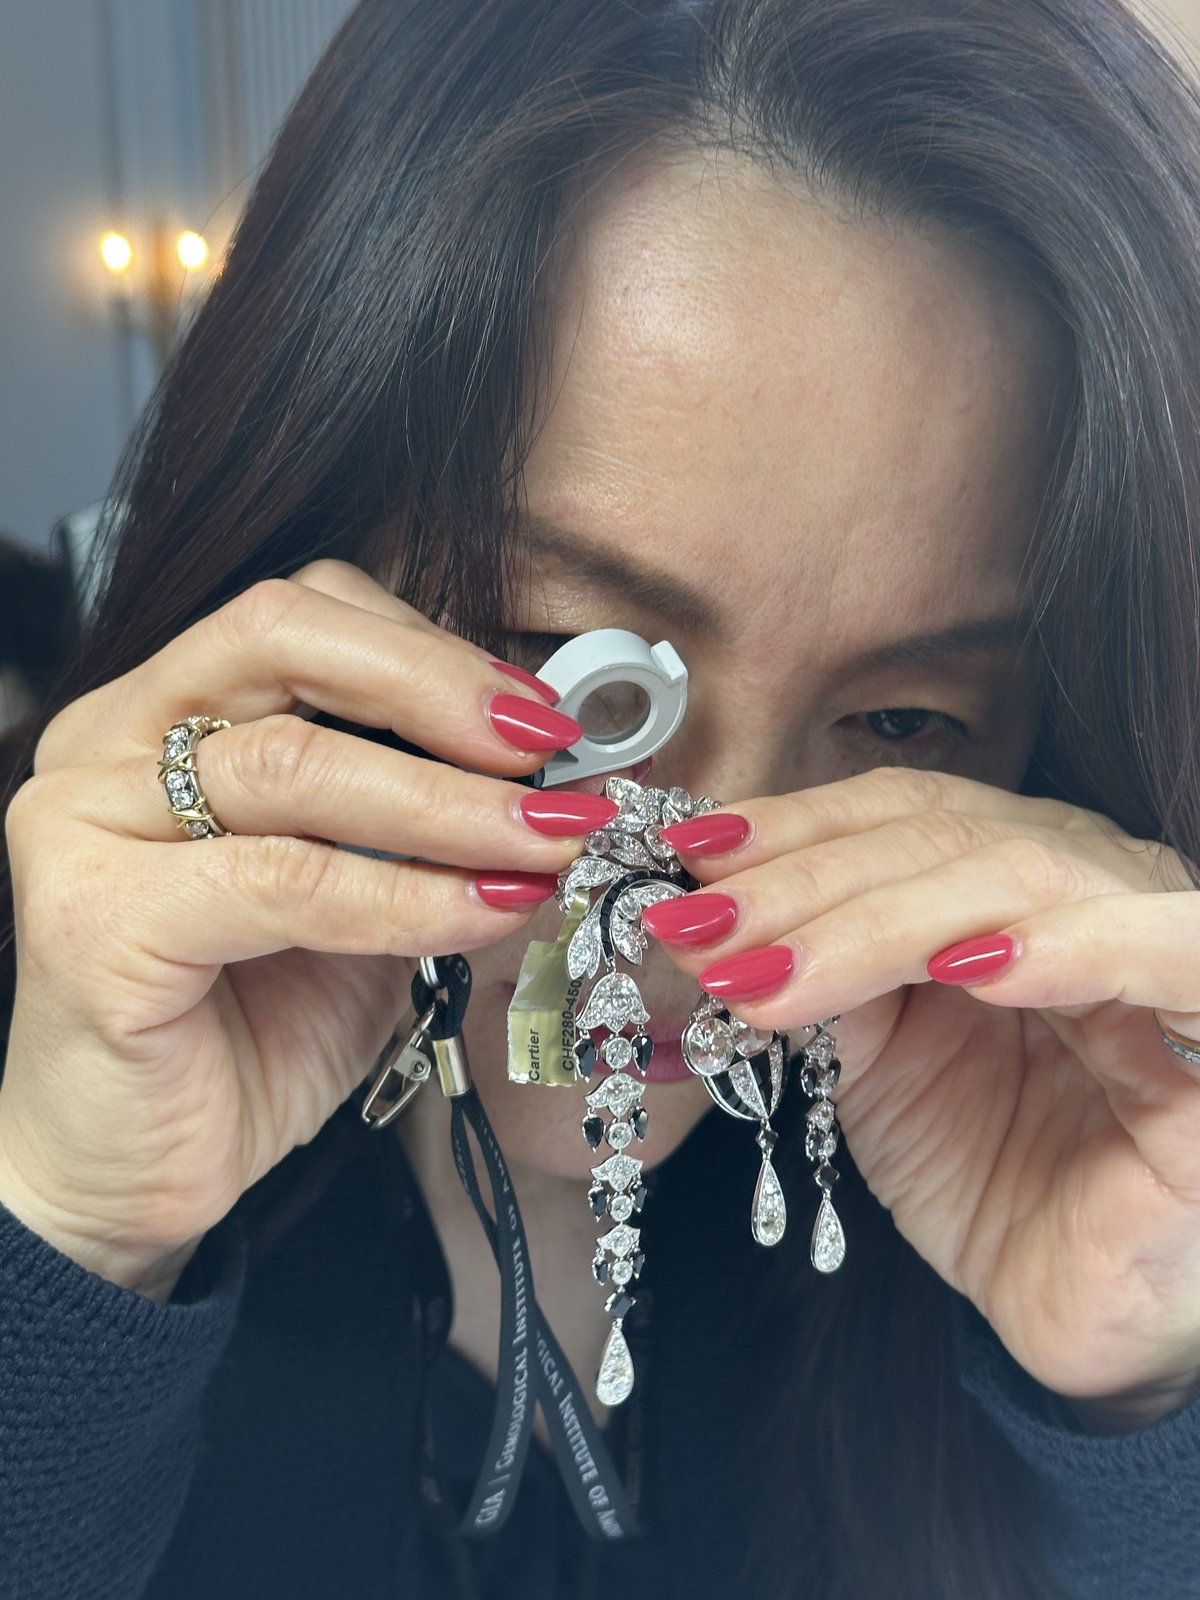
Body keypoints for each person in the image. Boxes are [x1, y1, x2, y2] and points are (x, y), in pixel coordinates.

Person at [2, 0, 1200, 1594]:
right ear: (303, 541)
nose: (699, 906)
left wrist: (1132, 1401)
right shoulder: (70, 1077)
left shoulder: (1052, 1147)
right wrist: (70, 1259)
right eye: (581, 668)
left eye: (905, 716)